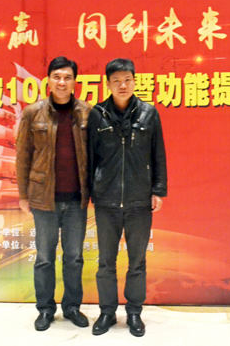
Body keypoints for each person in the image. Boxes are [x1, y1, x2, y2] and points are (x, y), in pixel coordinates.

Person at [87, 58, 167, 337]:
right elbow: (90, 158)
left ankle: (134, 312)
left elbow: (158, 154)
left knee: (137, 262)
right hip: (106, 202)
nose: (122, 85)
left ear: (134, 81)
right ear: (108, 84)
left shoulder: (149, 113)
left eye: (127, 80)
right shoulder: (97, 114)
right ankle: (107, 312)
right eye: (116, 81)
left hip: (139, 201)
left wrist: (158, 190)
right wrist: (90, 192)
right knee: (105, 262)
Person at [15, 56, 92, 331]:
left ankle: (72, 307)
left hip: (76, 200)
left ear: (75, 82)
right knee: (45, 257)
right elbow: (23, 156)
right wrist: (23, 195)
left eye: (67, 77)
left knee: (74, 257)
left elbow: (95, 156)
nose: (62, 82)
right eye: (57, 77)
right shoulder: (32, 113)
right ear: (48, 80)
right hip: (43, 199)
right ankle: (45, 309)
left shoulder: (87, 113)